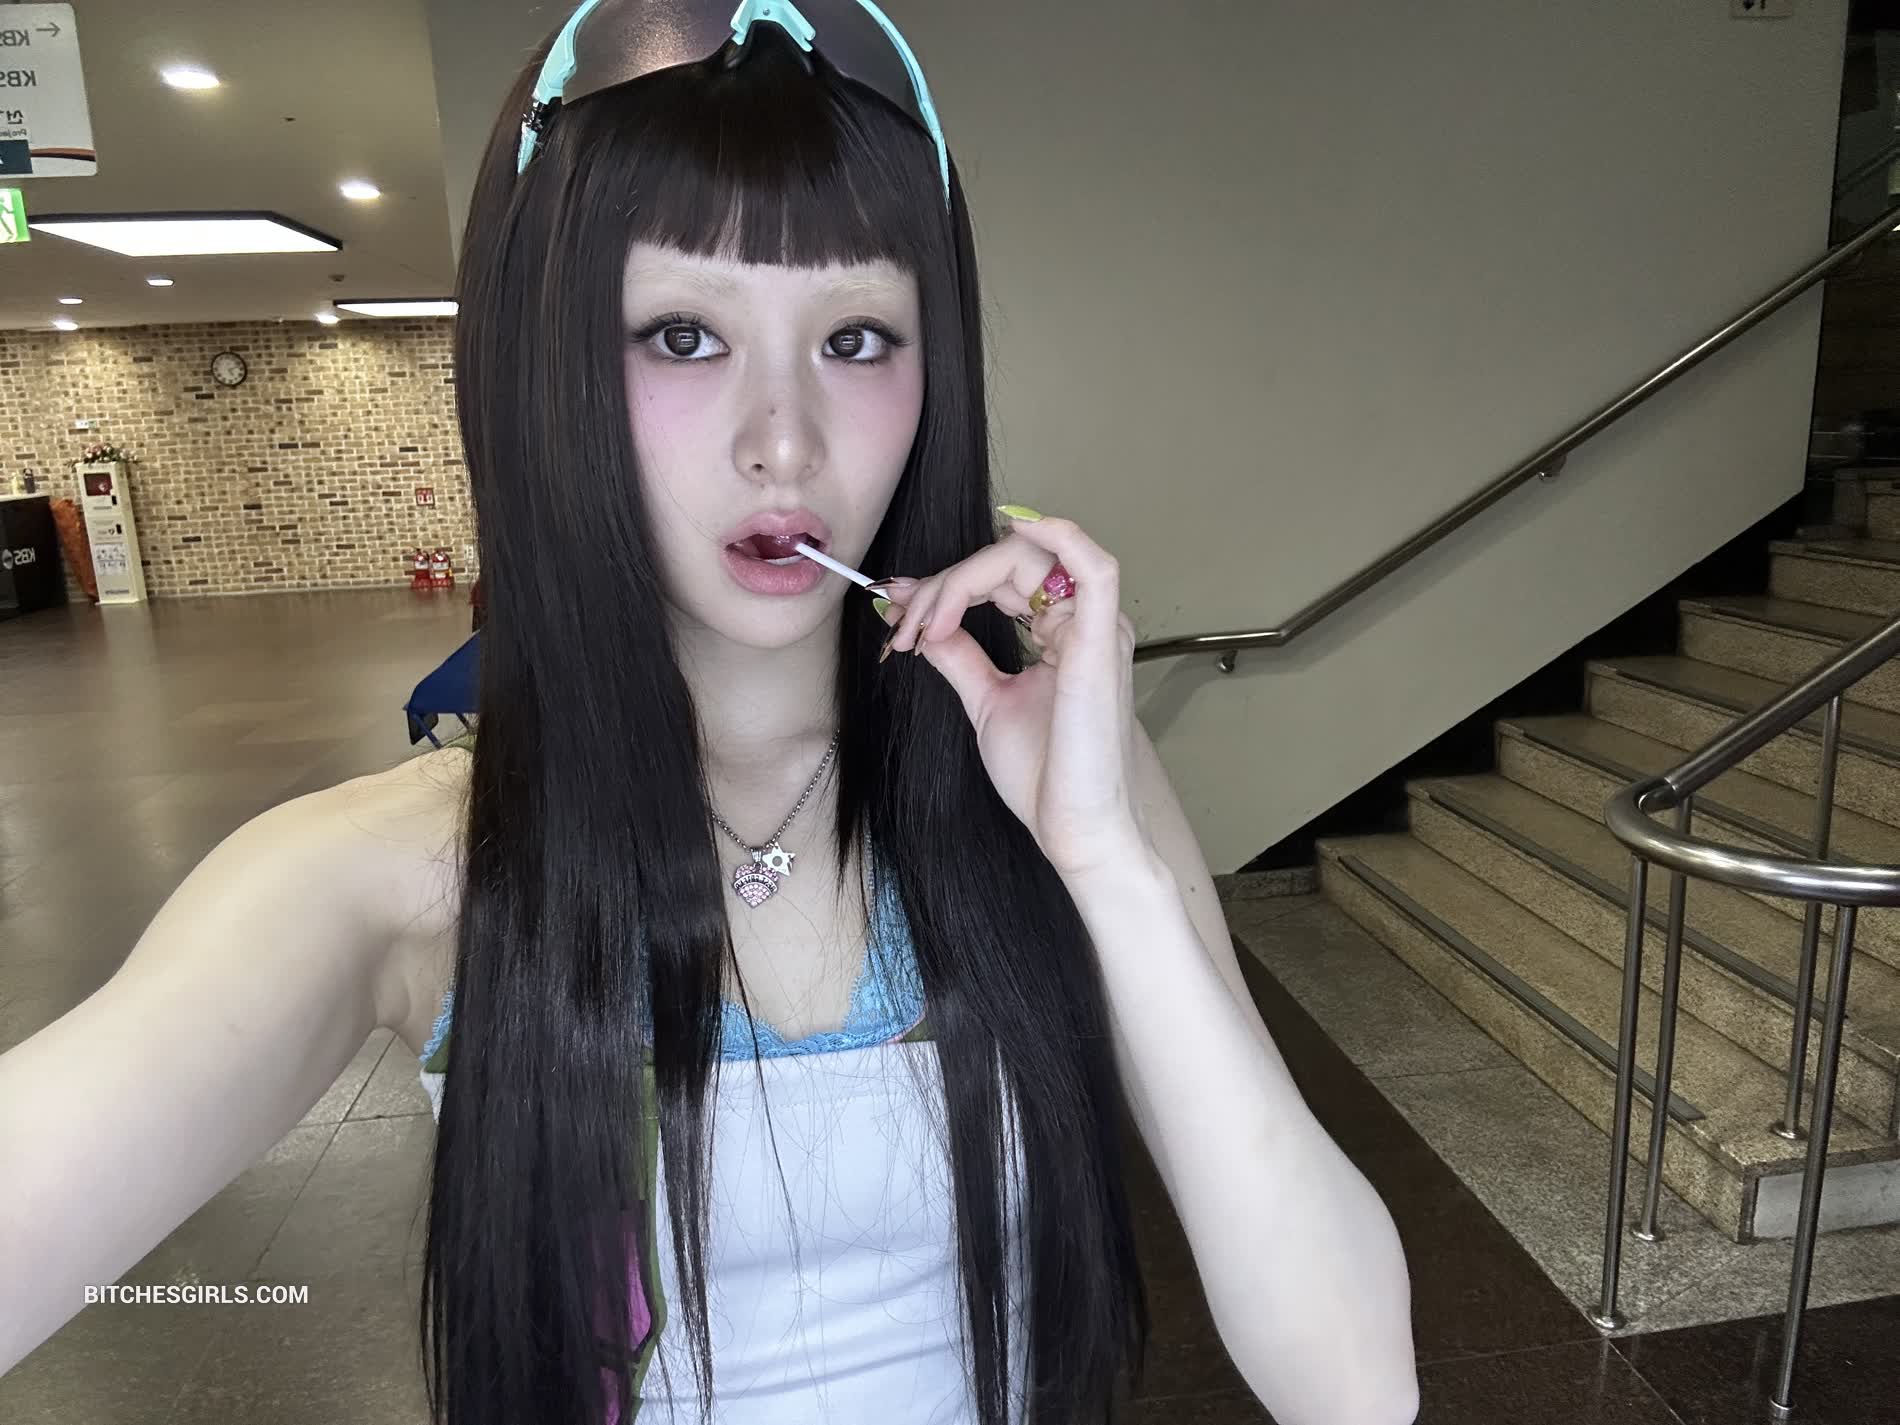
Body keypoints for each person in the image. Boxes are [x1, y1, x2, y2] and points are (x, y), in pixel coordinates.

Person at [0, 3, 1417, 1422]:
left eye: (857, 336)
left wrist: (1105, 864)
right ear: (549, 364)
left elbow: (1358, 1388)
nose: (784, 441)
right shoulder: (391, 872)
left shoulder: (1057, 790)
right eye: (682, 335)